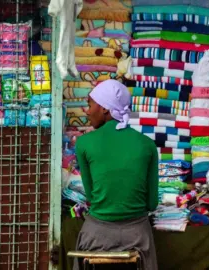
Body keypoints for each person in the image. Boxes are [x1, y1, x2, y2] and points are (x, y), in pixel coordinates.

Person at [73, 79, 159, 270]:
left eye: (90, 104)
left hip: (97, 236)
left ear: (105, 108)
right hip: (137, 237)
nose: (87, 111)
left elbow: (93, 199)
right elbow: (152, 203)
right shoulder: (147, 144)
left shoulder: (84, 143)